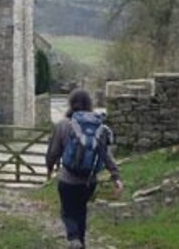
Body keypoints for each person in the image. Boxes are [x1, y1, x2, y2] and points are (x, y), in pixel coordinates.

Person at [46, 88, 123, 249]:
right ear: (89, 104)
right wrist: (116, 176)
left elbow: (53, 152)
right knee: (81, 210)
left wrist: (50, 167)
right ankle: (81, 242)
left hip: (67, 179)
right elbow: (106, 154)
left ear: (70, 103)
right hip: (89, 181)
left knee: (67, 211)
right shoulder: (98, 127)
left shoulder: (63, 125)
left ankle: (74, 238)